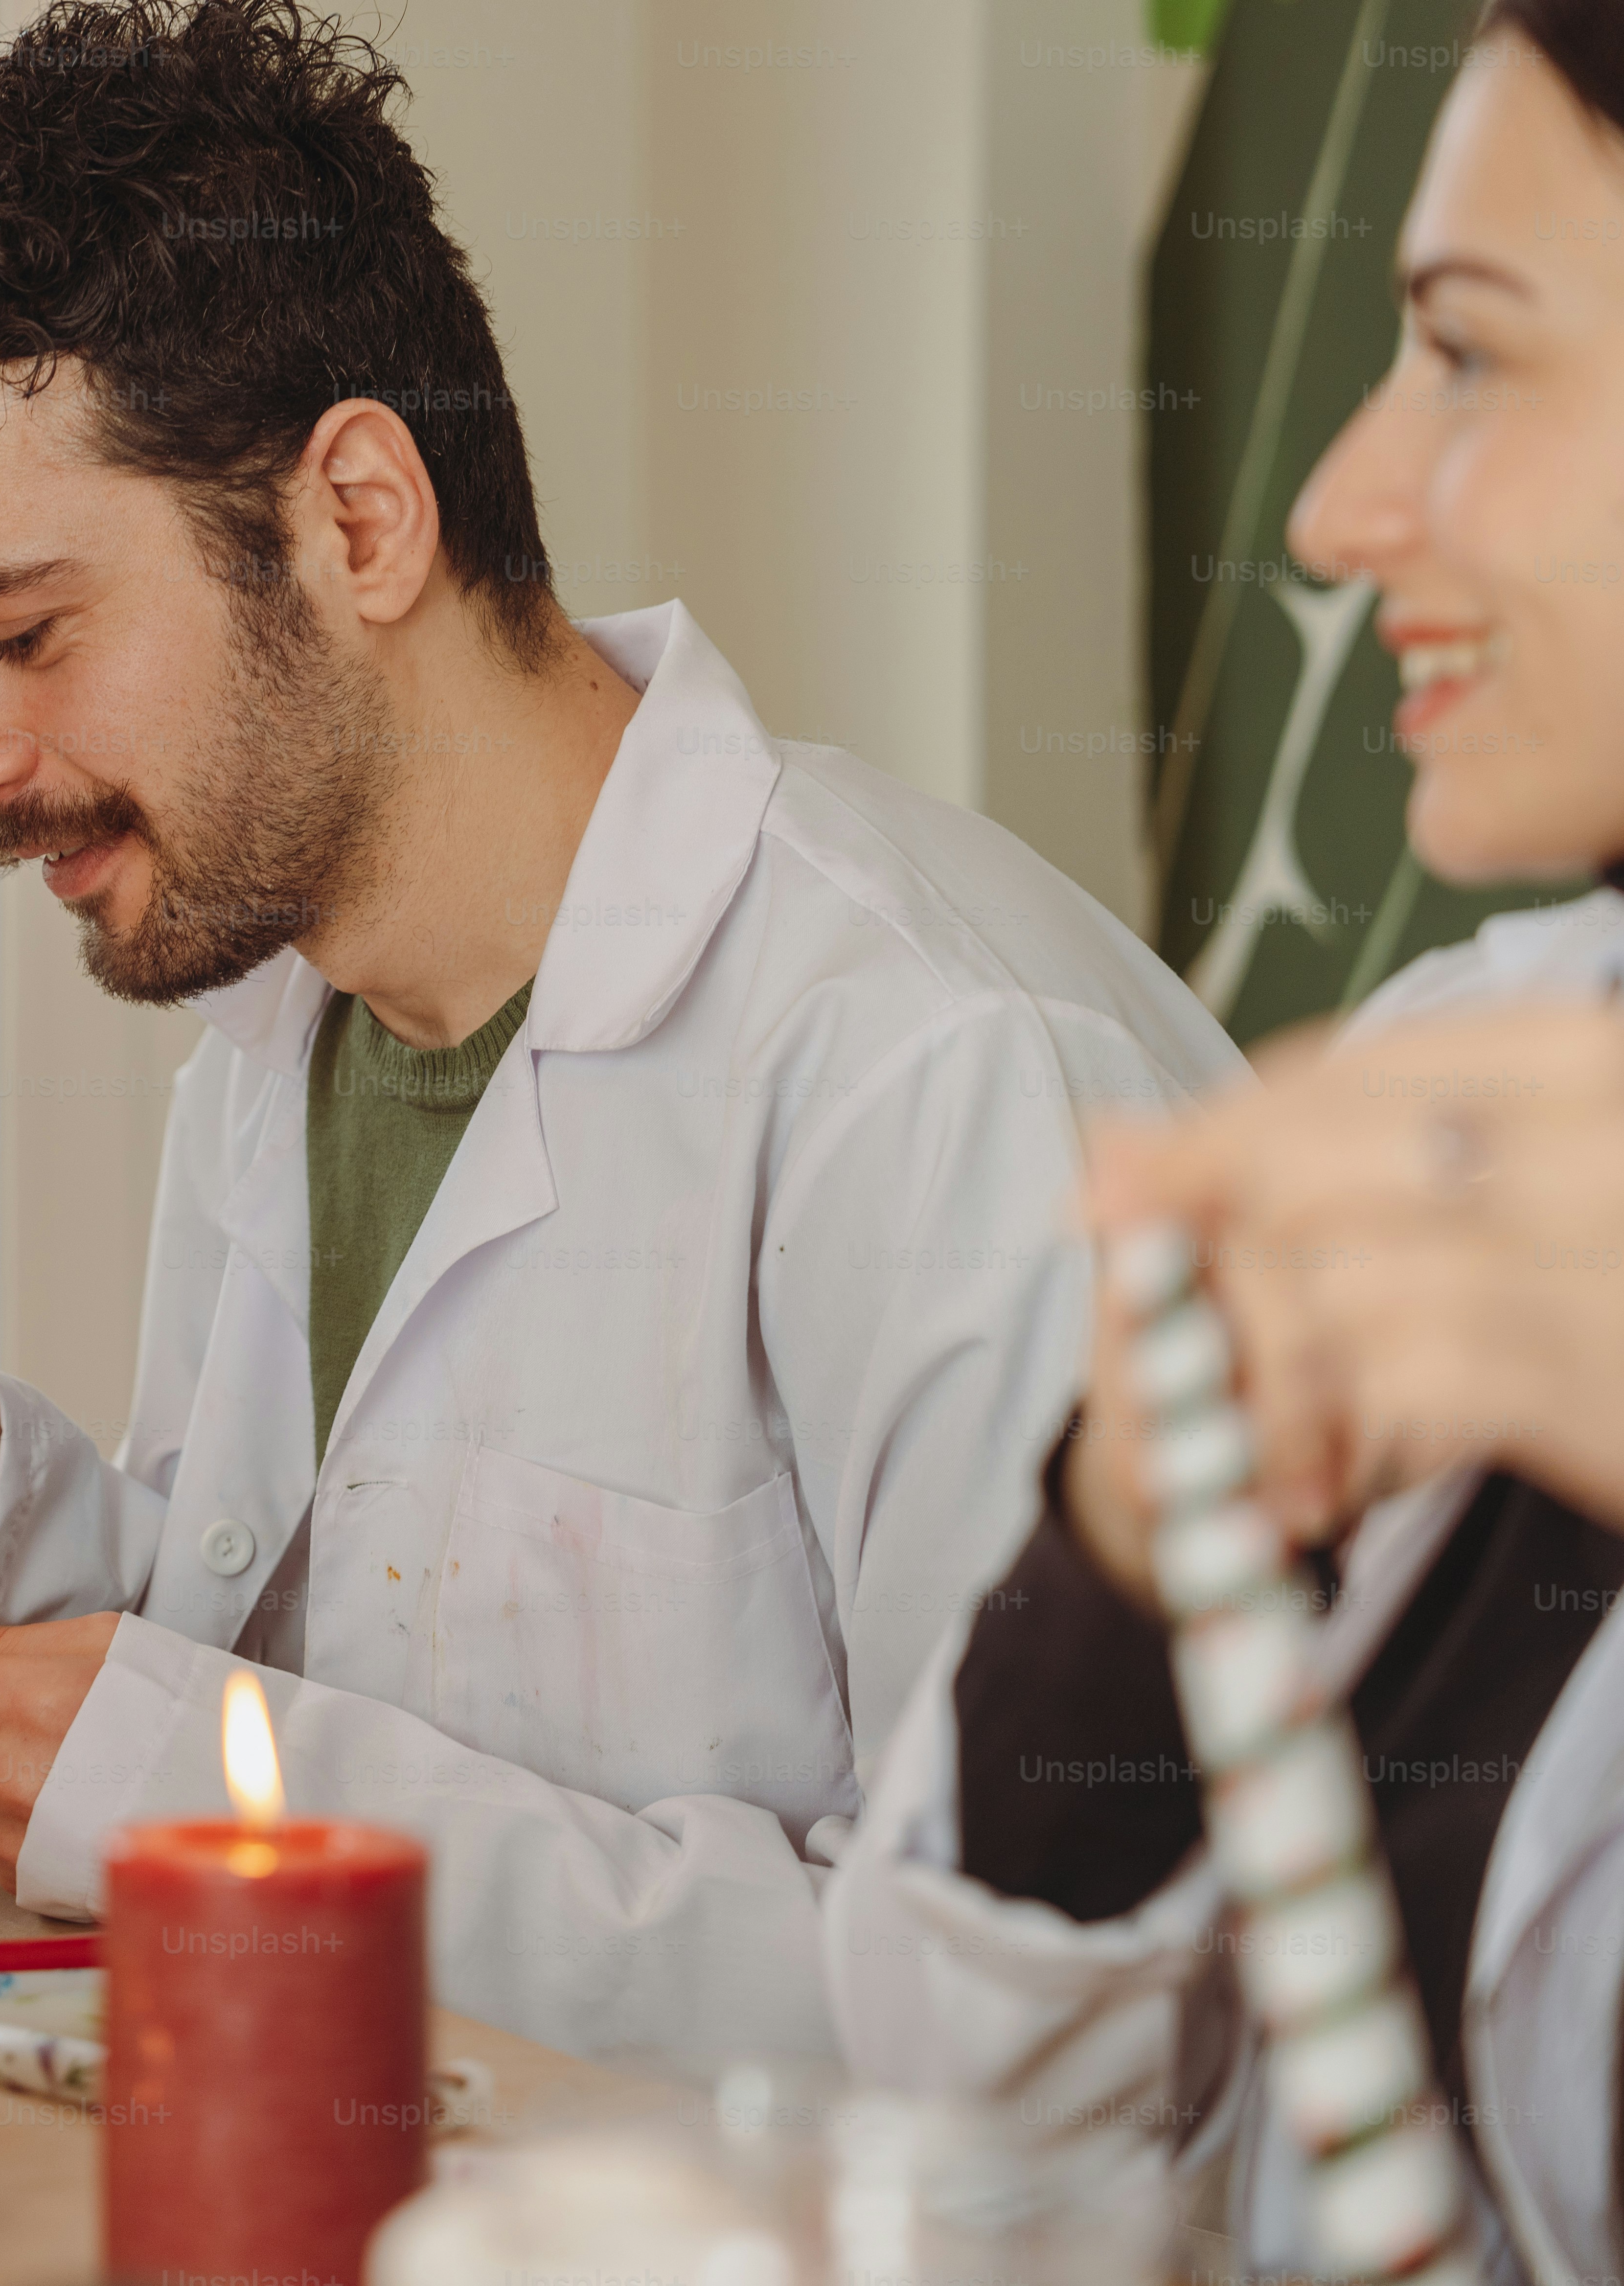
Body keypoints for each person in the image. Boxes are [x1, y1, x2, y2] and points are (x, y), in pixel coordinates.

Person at [0, 0, 1236, 2057]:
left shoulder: (944, 1073)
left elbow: (1075, 2028)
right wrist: (3, 1533)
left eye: (24, 634)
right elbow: (364, 1671)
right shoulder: (279, 1027)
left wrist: (223, 1806)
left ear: (358, 517)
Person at [826, 8, 1624, 2276]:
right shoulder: (1461, 1082)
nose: (1333, 509)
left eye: (1468, 353)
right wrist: (1121, 1558)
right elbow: (977, 2092)